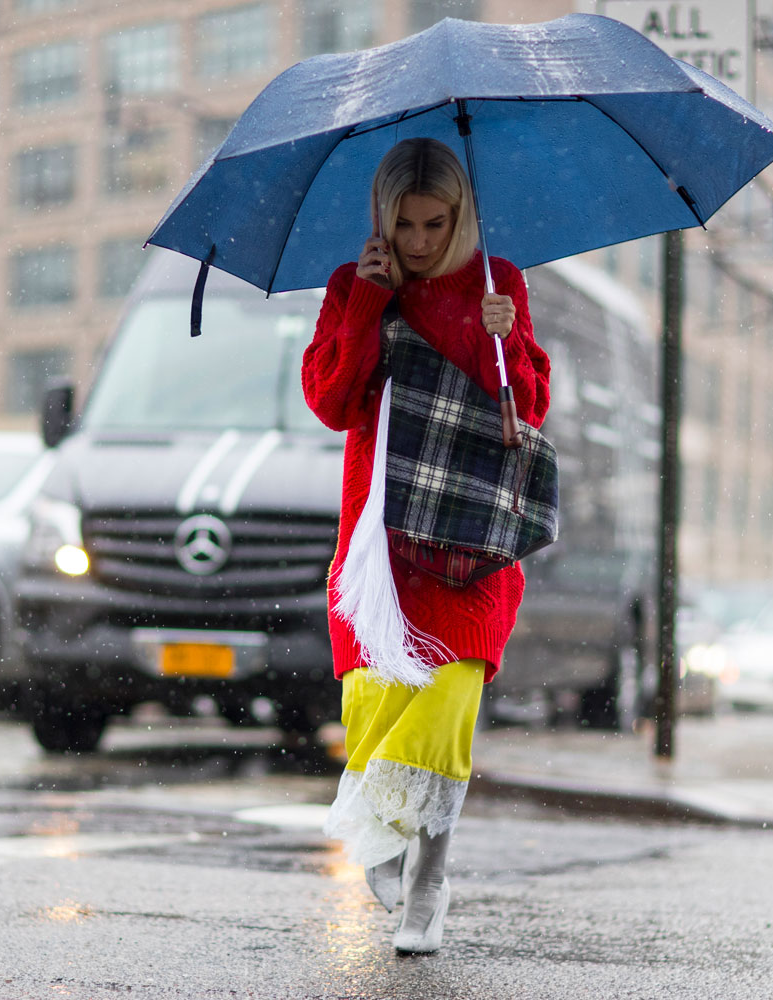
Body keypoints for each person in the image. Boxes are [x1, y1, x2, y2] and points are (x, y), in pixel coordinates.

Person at [301, 137, 550, 954]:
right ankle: (388, 837)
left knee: (446, 702)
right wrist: (368, 306)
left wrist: (502, 338)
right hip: (380, 541)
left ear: (460, 216)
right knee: (376, 701)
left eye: (435, 223)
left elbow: (532, 406)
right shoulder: (352, 285)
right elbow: (332, 401)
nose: (417, 240)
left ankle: (427, 882)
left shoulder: (496, 283)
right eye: (403, 223)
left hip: (469, 535)